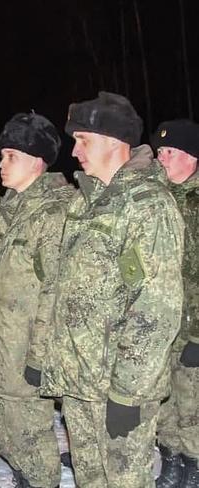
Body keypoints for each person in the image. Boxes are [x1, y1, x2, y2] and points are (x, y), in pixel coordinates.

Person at [42, 92, 185, 487]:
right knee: (89, 478)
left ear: (114, 141)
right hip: (80, 380)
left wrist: (128, 392)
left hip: (119, 387)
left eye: (83, 140)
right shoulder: (85, 202)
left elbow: (156, 309)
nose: (74, 152)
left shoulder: (148, 206)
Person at [0, 112, 72, 488]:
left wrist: (39, 357)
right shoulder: (12, 208)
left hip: (26, 349)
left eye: (10, 156)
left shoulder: (53, 214)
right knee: (5, 431)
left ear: (36, 160)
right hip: (2, 345)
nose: (0, 164)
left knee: (31, 436)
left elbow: (54, 291)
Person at [152, 119, 199, 488]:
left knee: (192, 404)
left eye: (169, 151)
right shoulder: (156, 198)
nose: (161, 157)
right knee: (162, 397)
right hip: (158, 321)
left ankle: (193, 465)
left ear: (192, 157)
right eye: (160, 151)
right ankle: (170, 460)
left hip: (192, 325)